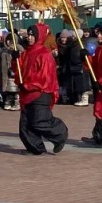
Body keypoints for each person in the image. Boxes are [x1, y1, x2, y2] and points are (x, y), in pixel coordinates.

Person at [14, 23, 68, 155]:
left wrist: (27, 85)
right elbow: (19, 70)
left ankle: (60, 133)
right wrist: (15, 59)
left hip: (41, 93)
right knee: (25, 125)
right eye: (29, 35)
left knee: (40, 122)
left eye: (33, 35)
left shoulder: (44, 54)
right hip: (27, 93)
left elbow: (44, 77)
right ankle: (35, 148)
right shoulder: (27, 52)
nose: (29, 38)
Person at [0, 33, 21, 111]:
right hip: (6, 72)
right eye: (7, 40)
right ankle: (8, 102)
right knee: (8, 89)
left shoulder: (19, 49)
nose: (9, 42)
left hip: (15, 72)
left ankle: (17, 103)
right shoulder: (4, 50)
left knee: (16, 90)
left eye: (11, 40)